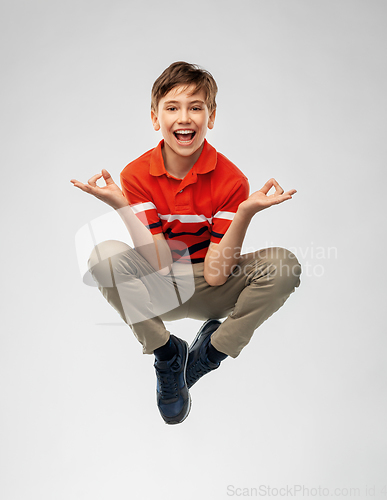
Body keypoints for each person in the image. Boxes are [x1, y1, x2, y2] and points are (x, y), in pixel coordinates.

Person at [70, 61, 301, 425]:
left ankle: (208, 354)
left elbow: (214, 274)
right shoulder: (136, 174)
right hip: (162, 286)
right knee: (103, 256)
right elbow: (161, 262)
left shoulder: (231, 179)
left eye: (196, 107)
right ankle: (168, 354)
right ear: (154, 118)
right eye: (172, 108)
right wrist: (122, 205)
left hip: (214, 286)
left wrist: (245, 213)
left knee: (284, 265)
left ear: (211, 117)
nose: (185, 118)